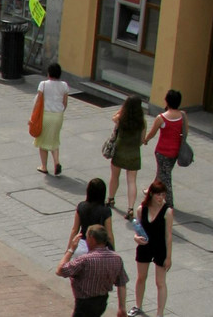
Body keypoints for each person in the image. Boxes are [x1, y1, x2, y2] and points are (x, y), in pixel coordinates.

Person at [56, 224, 129, 317]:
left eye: (87, 238)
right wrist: (122, 307)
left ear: (92, 239)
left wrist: (71, 249)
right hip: (102, 302)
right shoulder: (116, 258)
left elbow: (60, 270)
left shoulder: (85, 260)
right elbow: (122, 283)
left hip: (84, 304)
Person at [130, 180, 173, 317]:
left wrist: (168, 257)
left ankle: (160, 314)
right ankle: (138, 306)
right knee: (141, 277)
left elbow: (168, 236)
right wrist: (136, 238)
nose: (161, 198)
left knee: (160, 282)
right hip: (145, 247)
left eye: (163, 195)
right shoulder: (142, 209)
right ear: (151, 195)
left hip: (160, 248)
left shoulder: (167, 212)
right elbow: (138, 230)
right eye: (158, 195)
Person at [143, 89, 185, 208]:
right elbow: (185, 131)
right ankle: (151, 191)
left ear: (167, 101)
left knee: (165, 176)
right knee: (162, 172)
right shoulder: (183, 116)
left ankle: (169, 203)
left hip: (162, 151)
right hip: (175, 151)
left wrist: (145, 140)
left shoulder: (161, 117)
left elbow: (152, 133)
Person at [108, 97, 147, 217]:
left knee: (114, 176)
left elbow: (113, 117)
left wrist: (121, 109)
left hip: (120, 150)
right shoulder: (142, 121)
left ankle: (111, 198)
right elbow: (142, 140)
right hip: (134, 152)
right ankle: (130, 208)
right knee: (131, 181)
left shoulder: (121, 119)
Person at [35, 63, 70, 175]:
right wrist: (59, 111)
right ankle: (56, 162)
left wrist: (33, 116)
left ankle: (44, 166)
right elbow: (65, 103)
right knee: (54, 140)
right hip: (58, 116)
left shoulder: (43, 84)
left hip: (46, 115)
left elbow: (38, 101)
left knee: (42, 141)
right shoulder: (64, 85)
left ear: (49, 73)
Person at [70, 179, 115, 257]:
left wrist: (69, 249)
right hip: (99, 248)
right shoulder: (106, 211)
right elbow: (109, 235)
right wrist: (113, 252)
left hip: (81, 245)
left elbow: (74, 230)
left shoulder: (81, 206)